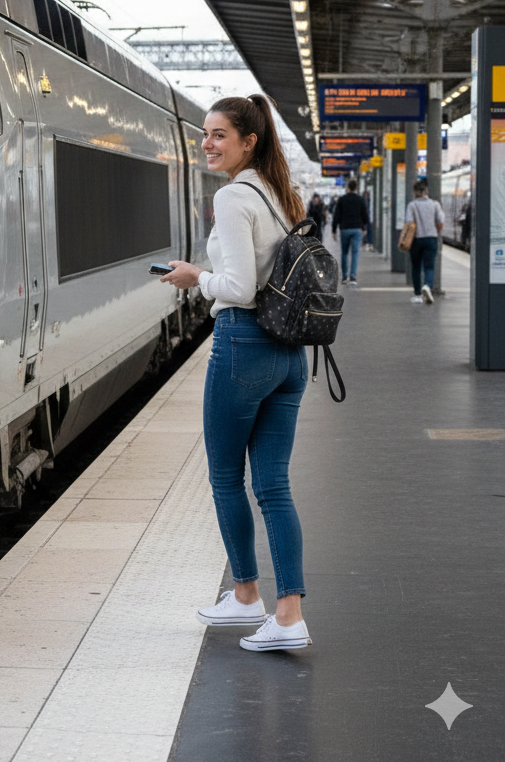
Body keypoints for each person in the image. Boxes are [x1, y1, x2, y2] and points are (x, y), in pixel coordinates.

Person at [160, 94, 312, 652]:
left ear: (249, 141)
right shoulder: (279, 195)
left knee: (226, 476)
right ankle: (288, 614)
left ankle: (247, 595)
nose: (208, 142)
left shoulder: (232, 197)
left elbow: (239, 288)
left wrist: (194, 275)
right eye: (206, 133)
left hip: (244, 343)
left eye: (220, 134)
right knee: (272, 483)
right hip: (289, 356)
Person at [406, 180, 444, 304]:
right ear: (426, 191)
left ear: (415, 192)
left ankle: (417, 294)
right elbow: (440, 222)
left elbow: (409, 222)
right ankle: (427, 285)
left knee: (416, 267)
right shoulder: (435, 204)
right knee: (429, 266)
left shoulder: (412, 205)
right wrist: (433, 230)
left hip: (416, 239)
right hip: (431, 238)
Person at [331, 179, 368, 285]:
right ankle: (353, 276)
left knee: (344, 253)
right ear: (356, 188)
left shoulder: (342, 200)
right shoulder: (360, 199)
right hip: (357, 229)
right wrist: (364, 227)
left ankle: (344, 276)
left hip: (345, 229)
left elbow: (336, 215)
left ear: (348, 187)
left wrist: (334, 230)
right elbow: (365, 215)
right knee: (355, 253)